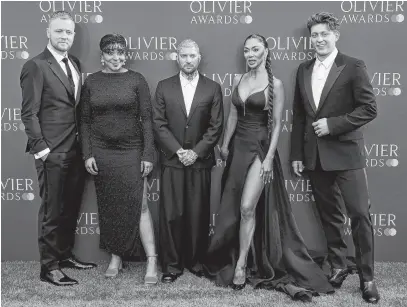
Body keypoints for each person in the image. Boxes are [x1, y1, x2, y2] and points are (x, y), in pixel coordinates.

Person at [205, 34, 334, 302]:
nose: (250, 54)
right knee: (231, 208)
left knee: (246, 207)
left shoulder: (275, 85)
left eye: (255, 49)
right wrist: (224, 145)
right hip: (237, 149)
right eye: (246, 50)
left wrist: (268, 158)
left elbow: (276, 125)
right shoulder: (238, 80)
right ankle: (236, 255)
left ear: (265, 51)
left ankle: (241, 264)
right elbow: (232, 116)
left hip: (259, 149)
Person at [290, 12, 379, 304]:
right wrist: (297, 155)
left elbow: (368, 109)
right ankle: (338, 265)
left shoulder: (353, 66)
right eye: (314, 35)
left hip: (347, 154)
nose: (319, 39)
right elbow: (300, 117)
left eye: (324, 34)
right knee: (329, 216)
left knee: (360, 216)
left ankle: (367, 277)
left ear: (335, 35)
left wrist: (333, 124)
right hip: (315, 158)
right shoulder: (303, 69)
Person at [20, 11, 96, 286]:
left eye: (69, 32)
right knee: (52, 210)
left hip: (75, 150)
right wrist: (41, 149)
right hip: (51, 151)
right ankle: (49, 267)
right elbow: (29, 113)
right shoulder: (36, 66)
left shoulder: (73, 62)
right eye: (60, 31)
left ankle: (64, 256)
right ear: (48, 33)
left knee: (70, 207)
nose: (65, 36)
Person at [79, 34, 158, 283]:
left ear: (126, 55)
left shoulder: (136, 80)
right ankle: (116, 257)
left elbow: (147, 119)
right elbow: (85, 120)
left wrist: (147, 154)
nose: (116, 58)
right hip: (102, 151)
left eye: (121, 53)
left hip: (132, 150)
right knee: (110, 206)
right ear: (102, 55)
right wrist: (87, 153)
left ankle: (152, 260)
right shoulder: (92, 82)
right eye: (111, 53)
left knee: (141, 205)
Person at [152, 39, 224, 283]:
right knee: (171, 214)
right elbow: (158, 124)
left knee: (198, 214)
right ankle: (171, 265)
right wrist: (178, 150)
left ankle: (195, 262)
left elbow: (216, 126)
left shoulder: (213, 88)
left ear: (199, 57)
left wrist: (197, 151)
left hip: (200, 161)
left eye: (192, 55)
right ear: (177, 58)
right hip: (172, 160)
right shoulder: (163, 87)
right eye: (183, 55)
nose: (188, 60)